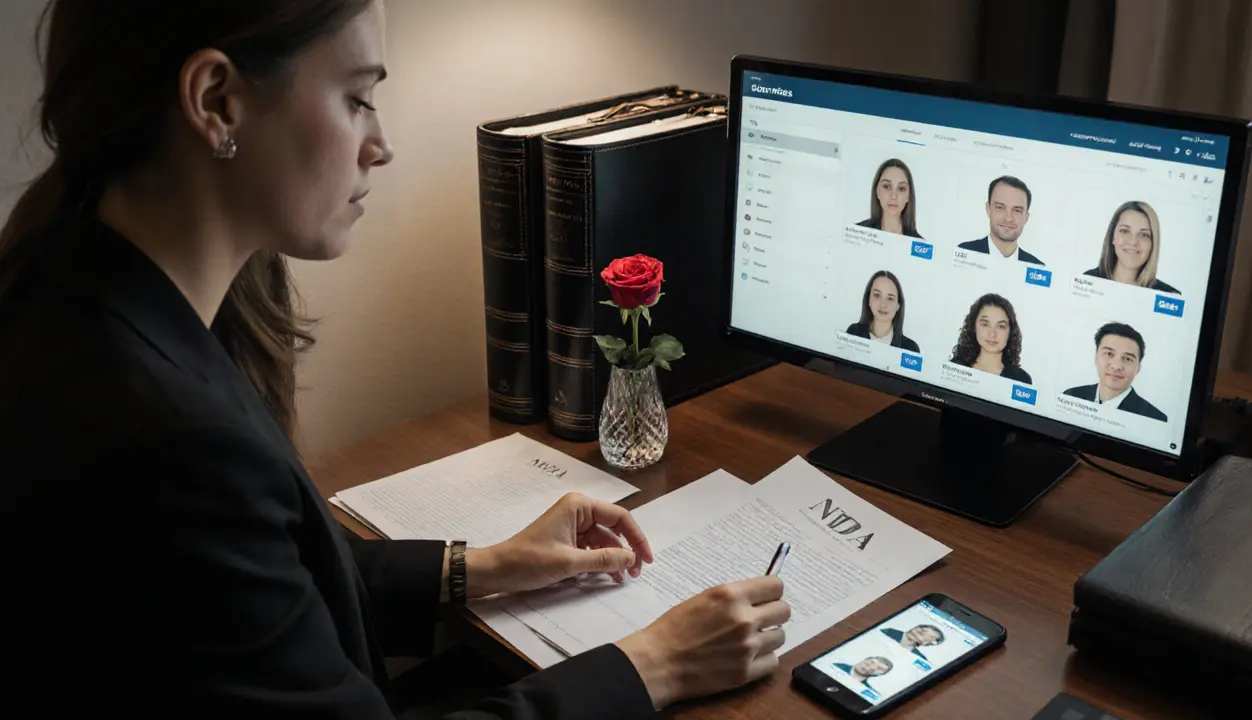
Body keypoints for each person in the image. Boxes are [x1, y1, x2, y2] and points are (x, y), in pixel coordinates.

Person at [0, 2, 792, 718]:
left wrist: (483, 566)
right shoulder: (168, 442)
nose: (381, 145)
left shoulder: (72, 286)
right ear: (216, 101)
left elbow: (265, 580)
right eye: (357, 96)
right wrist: (652, 663)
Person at [1064, 323, 1167, 422]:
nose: (1116, 366)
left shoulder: (1154, 418)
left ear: (1138, 367)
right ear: (1096, 356)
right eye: (1109, 353)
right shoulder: (1071, 396)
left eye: (1127, 359)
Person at [1082, 201, 1179, 293]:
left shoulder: (1169, 296)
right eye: (1125, 231)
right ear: (1112, 237)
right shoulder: (1087, 282)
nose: (1133, 242)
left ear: (1153, 244)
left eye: (1144, 235)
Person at [958, 176, 1043, 265]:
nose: (1008, 218)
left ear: (1026, 217)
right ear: (988, 209)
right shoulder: (965, 254)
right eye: (1000, 208)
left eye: (1017, 210)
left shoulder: (1037, 268)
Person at [949, 294, 1033, 383]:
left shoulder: (1021, 380)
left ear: (1010, 332)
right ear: (974, 326)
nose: (992, 334)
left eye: (1001, 326)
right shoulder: (955, 368)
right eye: (985, 324)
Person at [845, 270, 921, 352]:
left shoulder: (910, 349)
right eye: (877, 295)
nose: (883, 305)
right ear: (869, 299)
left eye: (890, 298)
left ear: (898, 306)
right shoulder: (853, 333)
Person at [856, 158, 923, 238]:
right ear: (877, 191)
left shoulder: (919, 244)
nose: (893, 196)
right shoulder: (857, 233)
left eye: (901, 188)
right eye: (886, 186)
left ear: (908, 196)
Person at [880, 624, 945, 661]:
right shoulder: (886, 632)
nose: (922, 633)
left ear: (928, 643)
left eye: (931, 637)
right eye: (923, 630)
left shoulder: (920, 659)